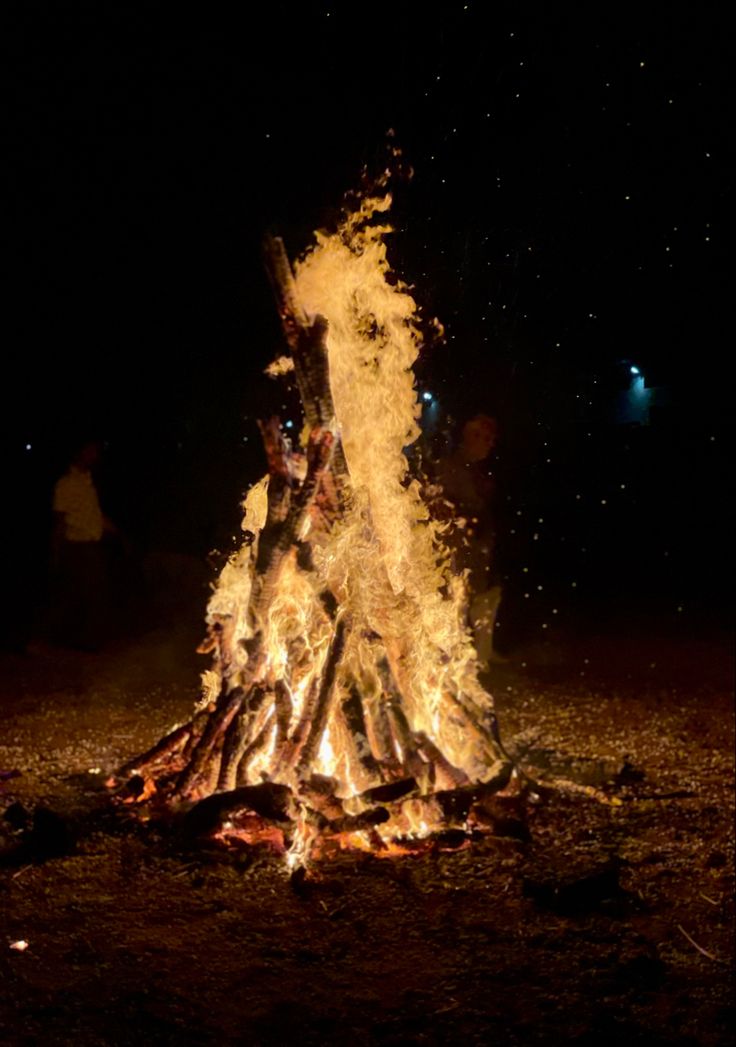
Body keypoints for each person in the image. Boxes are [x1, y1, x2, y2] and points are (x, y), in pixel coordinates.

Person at [437, 413, 506, 667]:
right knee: (457, 603)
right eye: (484, 438)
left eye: (491, 439)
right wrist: (469, 516)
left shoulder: (478, 472)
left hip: (478, 552)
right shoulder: (449, 468)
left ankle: (481, 656)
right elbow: (444, 506)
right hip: (458, 551)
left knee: (485, 600)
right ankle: (453, 660)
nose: (489, 444)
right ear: (470, 437)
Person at [49, 439, 118, 650]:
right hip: (78, 547)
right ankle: (85, 641)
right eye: (90, 452)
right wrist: (55, 550)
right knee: (89, 594)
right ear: (78, 454)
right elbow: (59, 521)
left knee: (85, 593)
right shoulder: (66, 484)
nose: (94, 456)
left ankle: (80, 640)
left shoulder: (87, 482)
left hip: (91, 546)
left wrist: (119, 535)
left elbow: (95, 516)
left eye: (95, 452)